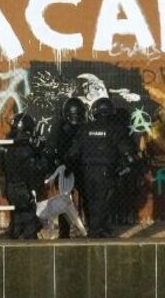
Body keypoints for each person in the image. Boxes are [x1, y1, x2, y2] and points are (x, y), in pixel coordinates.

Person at [65, 97, 135, 238]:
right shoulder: (115, 129)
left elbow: (74, 152)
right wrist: (126, 166)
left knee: (92, 201)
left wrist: (68, 167)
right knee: (103, 202)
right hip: (106, 171)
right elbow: (127, 152)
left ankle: (96, 229)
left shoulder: (85, 128)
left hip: (87, 172)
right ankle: (97, 233)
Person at [2, 113, 50, 239]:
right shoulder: (27, 147)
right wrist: (41, 152)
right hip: (24, 188)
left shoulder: (7, 145)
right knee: (30, 224)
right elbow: (39, 168)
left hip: (11, 187)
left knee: (17, 219)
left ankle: (15, 238)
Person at [46, 97, 86, 238]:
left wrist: (55, 167)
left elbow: (51, 148)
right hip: (77, 166)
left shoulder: (59, 127)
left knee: (65, 200)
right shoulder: (83, 127)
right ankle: (80, 228)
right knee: (81, 199)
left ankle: (65, 231)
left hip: (66, 167)